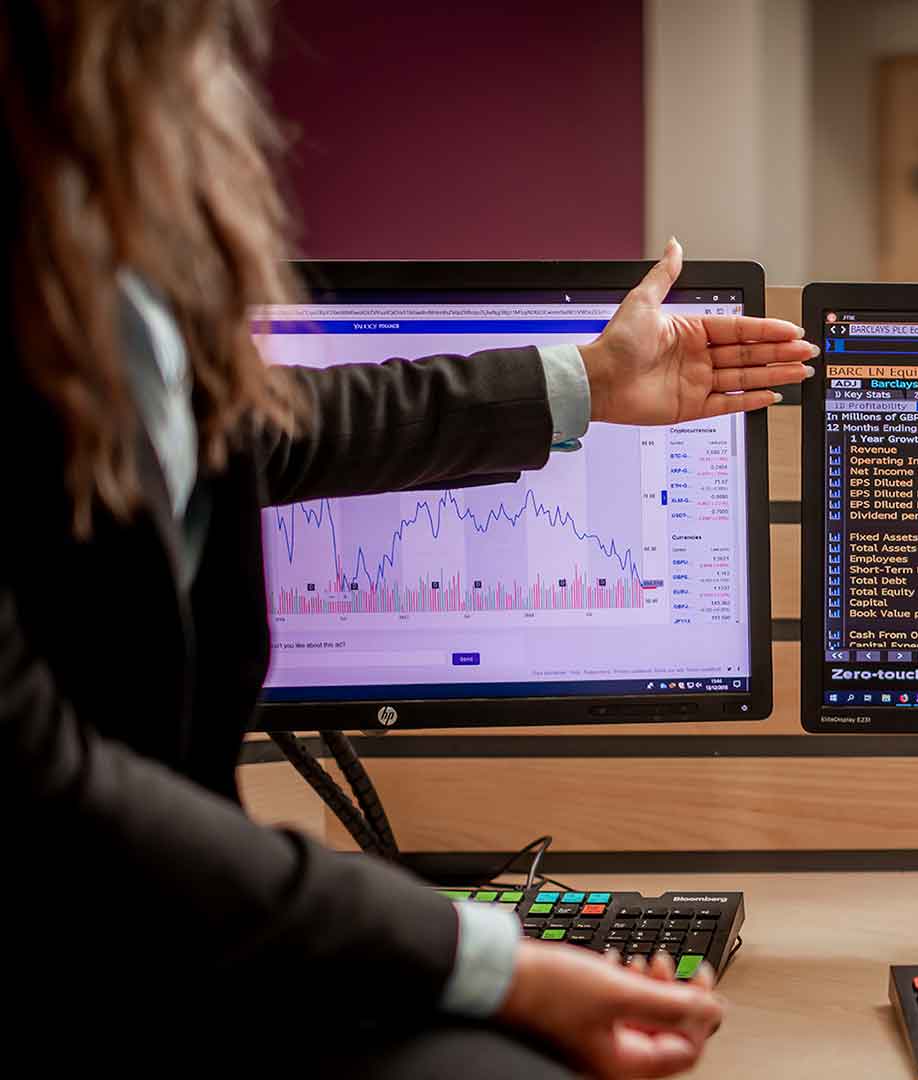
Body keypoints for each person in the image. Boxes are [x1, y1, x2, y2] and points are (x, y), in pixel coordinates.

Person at [2, 2, 812, 1076]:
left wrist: (584, 383)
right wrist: (494, 961)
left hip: (164, 924)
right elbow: (44, 791)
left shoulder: (84, 267)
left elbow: (258, 435)